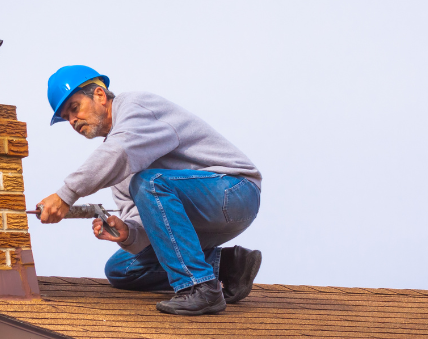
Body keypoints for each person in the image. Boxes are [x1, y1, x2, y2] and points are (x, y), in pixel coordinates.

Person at [37, 65, 263, 315]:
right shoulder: (119, 165)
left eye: (74, 108)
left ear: (100, 95)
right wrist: (128, 233)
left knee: (149, 183)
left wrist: (65, 195)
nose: (72, 120)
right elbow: (148, 221)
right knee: (122, 269)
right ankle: (229, 266)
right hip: (199, 219)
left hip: (235, 192)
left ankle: (199, 287)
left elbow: (119, 151)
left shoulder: (136, 107)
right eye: (66, 118)